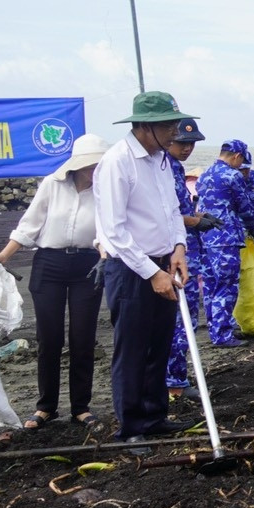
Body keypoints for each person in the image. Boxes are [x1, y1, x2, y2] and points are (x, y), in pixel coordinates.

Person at [92, 91, 197, 442]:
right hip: (130, 269)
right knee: (133, 349)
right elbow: (113, 230)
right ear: (146, 127)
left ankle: (155, 417)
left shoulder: (162, 161)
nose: (175, 133)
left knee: (159, 344)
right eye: (168, 126)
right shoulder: (117, 162)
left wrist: (178, 249)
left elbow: (171, 212)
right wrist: (152, 274)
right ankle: (132, 427)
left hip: (163, 263)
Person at [0, 134, 110, 429]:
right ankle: (46, 407)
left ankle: (81, 407)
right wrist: (4, 255)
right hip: (49, 263)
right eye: (90, 164)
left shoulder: (107, 189)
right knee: (49, 338)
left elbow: (108, 229)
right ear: (77, 165)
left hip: (88, 266)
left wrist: (105, 254)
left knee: (82, 338)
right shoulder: (52, 185)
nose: (94, 169)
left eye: (98, 164)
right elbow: (29, 225)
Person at [165, 118, 217, 399]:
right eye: (182, 143)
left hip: (185, 247)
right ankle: (174, 382)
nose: (187, 149)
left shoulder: (173, 167)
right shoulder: (165, 168)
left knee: (183, 318)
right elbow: (169, 214)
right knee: (182, 319)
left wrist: (198, 217)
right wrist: (195, 222)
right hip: (177, 250)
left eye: (192, 143)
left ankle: (176, 378)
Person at [195, 139, 254, 347]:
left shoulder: (204, 174)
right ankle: (223, 334)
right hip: (225, 237)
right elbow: (245, 206)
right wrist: (252, 227)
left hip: (204, 236)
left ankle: (216, 329)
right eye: (242, 161)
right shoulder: (233, 175)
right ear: (237, 156)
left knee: (211, 285)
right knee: (227, 286)